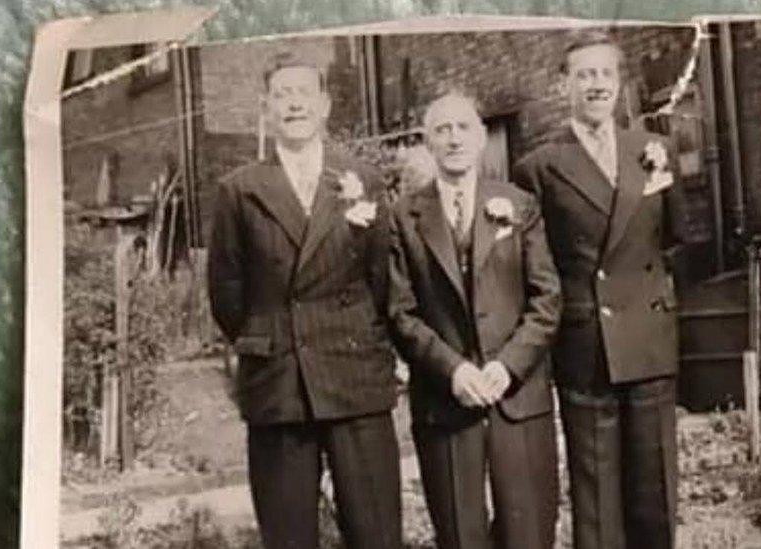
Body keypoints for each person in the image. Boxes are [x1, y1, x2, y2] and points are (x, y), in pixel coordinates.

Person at [207, 51, 401, 549]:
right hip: (279, 383)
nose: (293, 104)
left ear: (325, 105)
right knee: (288, 535)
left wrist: (366, 342)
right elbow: (227, 292)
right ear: (266, 110)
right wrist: (268, 340)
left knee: (376, 530)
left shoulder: (362, 181)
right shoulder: (239, 190)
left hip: (354, 374)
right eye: (281, 95)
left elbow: (382, 277)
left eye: (303, 93)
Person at [512, 31, 689, 549]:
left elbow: (679, 238)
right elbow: (534, 271)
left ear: (620, 83)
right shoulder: (539, 168)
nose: (596, 85)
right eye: (584, 75)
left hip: (650, 343)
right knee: (597, 505)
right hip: (586, 349)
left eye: (605, 74)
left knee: (655, 495)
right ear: (563, 84)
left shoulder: (653, 151)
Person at [387, 92, 562, 549]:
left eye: (463, 127)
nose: (454, 138)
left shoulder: (519, 204)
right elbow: (400, 311)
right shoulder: (403, 217)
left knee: (528, 533)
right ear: (427, 143)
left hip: (518, 400)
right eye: (442, 130)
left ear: (482, 138)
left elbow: (547, 298)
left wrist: (507, 366)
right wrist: (454, 370)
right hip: (445, 403)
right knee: (460, 537)